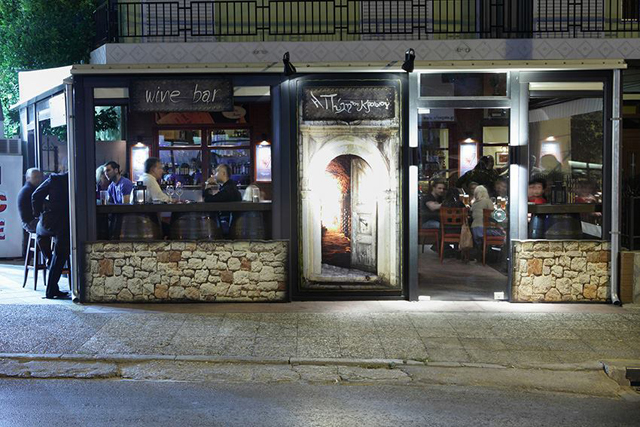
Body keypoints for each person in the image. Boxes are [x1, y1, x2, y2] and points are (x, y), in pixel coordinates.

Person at [32, 172, 70, 299]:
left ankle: (48, 259)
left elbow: (35, 195)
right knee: (60, 255)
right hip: (65, 223)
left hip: (48, 222)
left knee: (39, 233)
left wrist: (38, 213)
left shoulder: (55, 179)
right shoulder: (80, 180)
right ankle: (51, 288)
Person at [18, 168, 52, 261]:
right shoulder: (30, 191)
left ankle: (51, 258)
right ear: (28, 178)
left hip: (31, 221)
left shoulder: (30, 189)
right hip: (30, 223)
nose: (38, 179)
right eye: (35, 177)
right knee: (54, 227)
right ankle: (50, 258)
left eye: (40, 177)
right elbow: (42, 206)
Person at [470, 185, 503, 249]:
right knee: (503, 234)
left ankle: (484, 251)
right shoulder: (488, 201)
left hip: (474, 230)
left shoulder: (474, 204)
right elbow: (493, 215)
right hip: (484, 230)